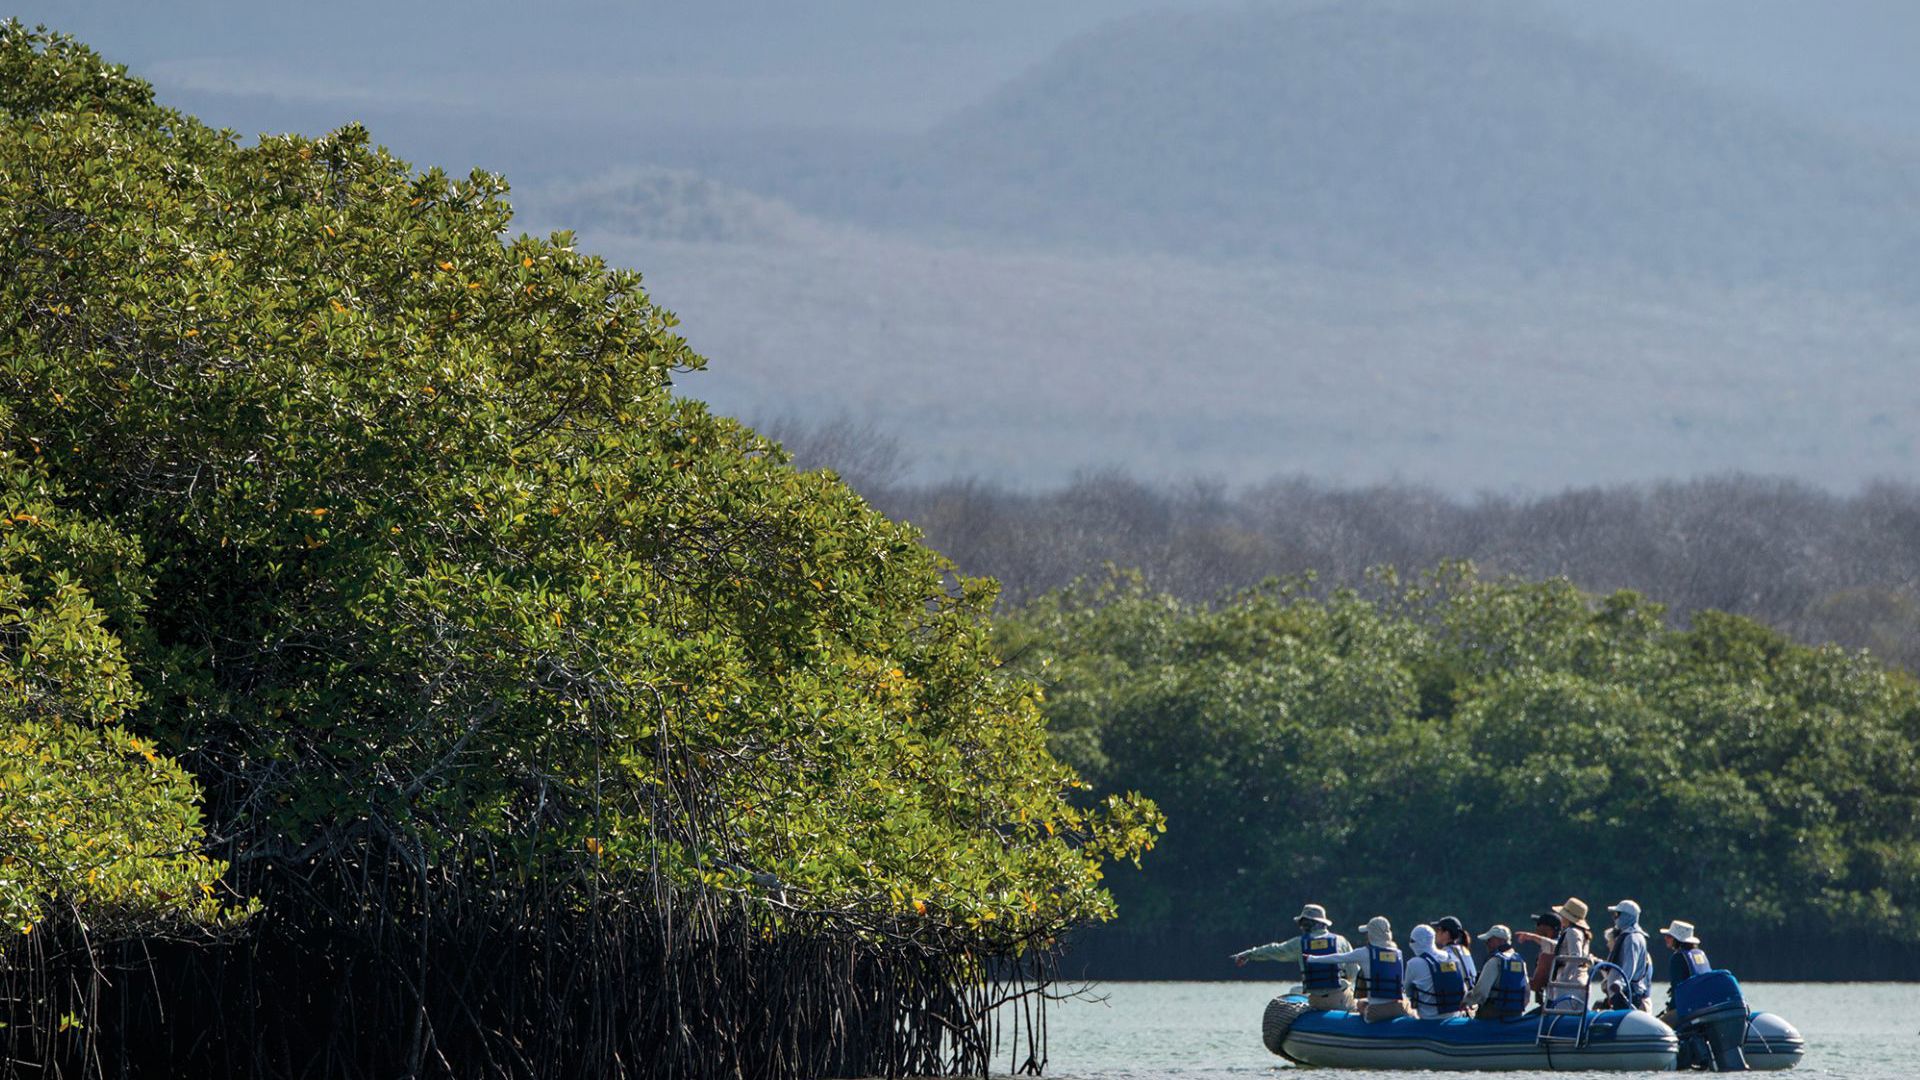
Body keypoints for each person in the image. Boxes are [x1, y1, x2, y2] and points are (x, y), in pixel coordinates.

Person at [1230, 902, 1357, 1012]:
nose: (1302, 928)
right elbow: (1354, 972)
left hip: (1316, 1001)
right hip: (1339, 1000)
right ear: (1323, 923)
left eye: (1303, 924)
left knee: (1294, 990)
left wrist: (1248, 954)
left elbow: (1274, 950)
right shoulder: (1341, 941)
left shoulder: (1299, 943)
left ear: (1310, 925)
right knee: (1356, 995)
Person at [1306, 916, 1411, 1022]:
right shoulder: (1397, 953)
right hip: (1399, 1007)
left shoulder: (1363, 953)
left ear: (1371, 934)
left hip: (1376, 1012)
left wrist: (1312, 958)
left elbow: (1337, 958)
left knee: (1360, 1003)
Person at [1516, 897, 1592, 1014]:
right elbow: (1556, 946)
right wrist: (1531, 937)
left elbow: (1575, 956)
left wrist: (1564, 979)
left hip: (1570, 986)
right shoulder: (1580, 933)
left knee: (1561, 1020)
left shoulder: (1572, 932)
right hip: (1580, 983)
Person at [1464, 924, 1532, 1021]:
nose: (1486, 943)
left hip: (1493, 1013)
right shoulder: (1520, 962)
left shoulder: (1494, 961)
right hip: (1515, 1014)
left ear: (1500, 941)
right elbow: (1527, 993)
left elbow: (1480, 993)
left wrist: (1465, 1002)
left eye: (1489, 940)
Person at [1405, 924, 1468, 1019]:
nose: (1410, 944)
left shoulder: (1413, 963)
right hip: (1454, 1015)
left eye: (1412, 941)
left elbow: (1408, 992)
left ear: (1420, 941)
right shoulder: (1451, 958)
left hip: (1429, 1017)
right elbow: (1463, 989)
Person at [1657, 920, 1711, 1024]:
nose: (1666, 938)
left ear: (1677, 940)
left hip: (1688, 1009)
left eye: (1669, 936)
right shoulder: (1699, 954)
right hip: (1705, 1007)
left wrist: (1669, 1010)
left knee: (1658, 1026)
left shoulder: (1678, 958)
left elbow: (1677, 990)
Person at [1605, 899, 1653, 1012]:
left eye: (1617, 914)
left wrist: (1619, 983)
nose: (1615, 918)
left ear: (1627, 916)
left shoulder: (1632, 938)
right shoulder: (1627, 935)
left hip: (1627, 993)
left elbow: (1630, 965)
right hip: (1622, 992)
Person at [1432, 915, 1478, 987]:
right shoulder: (1464, 949)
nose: (1436, 933)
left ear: (1446, 933)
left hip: (1460, 996)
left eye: (1438, 930)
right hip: (1472, 993)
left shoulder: (1445, 953)